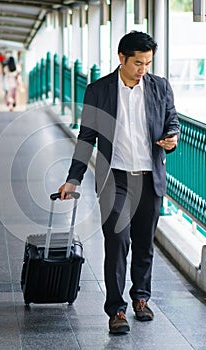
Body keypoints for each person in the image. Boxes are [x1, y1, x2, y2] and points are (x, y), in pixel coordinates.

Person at [58, 31, 180, 335]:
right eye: (138, 63)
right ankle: (116, 310)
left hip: (150, 177)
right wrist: (73, 179)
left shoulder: (160, 87)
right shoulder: (99, 91)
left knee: (143, 244)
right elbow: (87, 138)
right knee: (116, 243)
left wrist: (171, 139)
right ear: (121, 58)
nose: (143, 69)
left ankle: (141, 298)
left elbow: (172, 121)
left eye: (148, 63)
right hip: (116, 179)